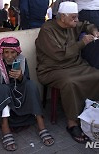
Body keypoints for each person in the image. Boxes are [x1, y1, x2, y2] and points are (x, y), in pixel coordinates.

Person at [35, 1, 99, 144]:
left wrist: (93, 30)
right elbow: (58, 54)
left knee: (96, 74)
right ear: (62, 17)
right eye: (73, 18)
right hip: (51, 69)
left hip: (73, 65)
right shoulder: (47, 30)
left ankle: (92, 113)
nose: (76, 20)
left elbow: (86, 24)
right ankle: (72, 123)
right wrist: (82, 43)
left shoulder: (72, 24)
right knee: (70, 82)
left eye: (76, 17)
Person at [0, 37, 54, 151]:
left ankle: (41, 125)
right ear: (2, 52)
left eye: (13, 52)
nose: (9, 56)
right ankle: (5, 128)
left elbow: (26, 81)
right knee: (2, 88)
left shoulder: (22, 60)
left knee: (31, 85)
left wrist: (20, 77)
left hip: (19, 94)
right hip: (4, 96)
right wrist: (7, 85)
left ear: (17, 52)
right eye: (6, 52)